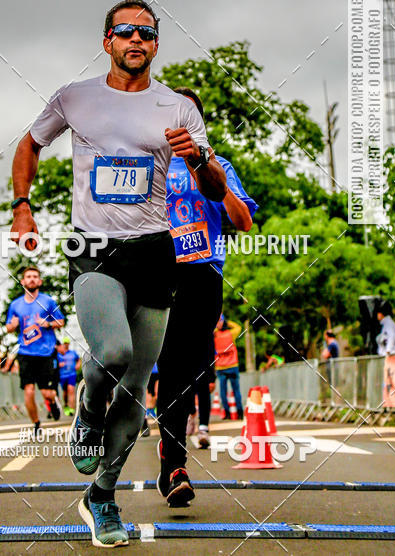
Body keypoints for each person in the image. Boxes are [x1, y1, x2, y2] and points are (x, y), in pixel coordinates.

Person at [10, 0, 226, 547]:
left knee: (135, 389)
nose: (137, 41)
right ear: (107, 40)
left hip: (155, 250)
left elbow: (217, 192)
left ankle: (102, 496)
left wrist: (198, 160)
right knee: (112, 354)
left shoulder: (176, 107)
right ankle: (86, 407)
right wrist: (22, 204)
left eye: (147, 34)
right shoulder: (75, 98)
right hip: (94, 246)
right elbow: (29, 144)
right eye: (126, 32)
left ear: (156, 44)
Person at [157, 87, 257, 505]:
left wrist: (210, 172)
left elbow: (244, 221)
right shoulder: (149, 164)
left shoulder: (220, 165)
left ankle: (172, 461)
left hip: (203, 272)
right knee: (166, 364)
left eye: (188, 115)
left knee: (185, 370)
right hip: (158, 269)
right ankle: (173, 460)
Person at [5, 266, 65, 433]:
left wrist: (48, 323)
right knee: (29, 390)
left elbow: (61, 322)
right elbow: (8, 326)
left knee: (47, 393)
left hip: (46, 352)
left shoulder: (47, 302)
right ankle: (36, 424)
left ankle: (53, 403)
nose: (31, 279)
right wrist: (13, 326)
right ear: (23, 281)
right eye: (28, 277)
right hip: (25, 353)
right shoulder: (15, 305)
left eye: (35, 276)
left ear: (39, 281)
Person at [214, 315, 244, 422]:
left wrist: (216, 324)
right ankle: (240, 413)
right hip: (233, 366)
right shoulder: (231, 334)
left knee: (223, 392)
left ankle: (227, 414)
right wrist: (227, 321)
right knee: (236, 391)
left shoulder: (215, 335)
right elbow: (238, 327)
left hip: (220, 367)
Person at [57, 338, 81, 416]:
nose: (66, 344)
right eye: (64, 343)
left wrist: (78, 365)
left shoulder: (73, 353)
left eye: (67, 343)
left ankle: (72, 408)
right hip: (63, 375)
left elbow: (78, 360)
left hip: (72, 374)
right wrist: (59, 365)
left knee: (71, 390)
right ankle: (66, 405)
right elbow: (54, 363)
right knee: (65, 392)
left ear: (69, 344)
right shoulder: (59, 354)